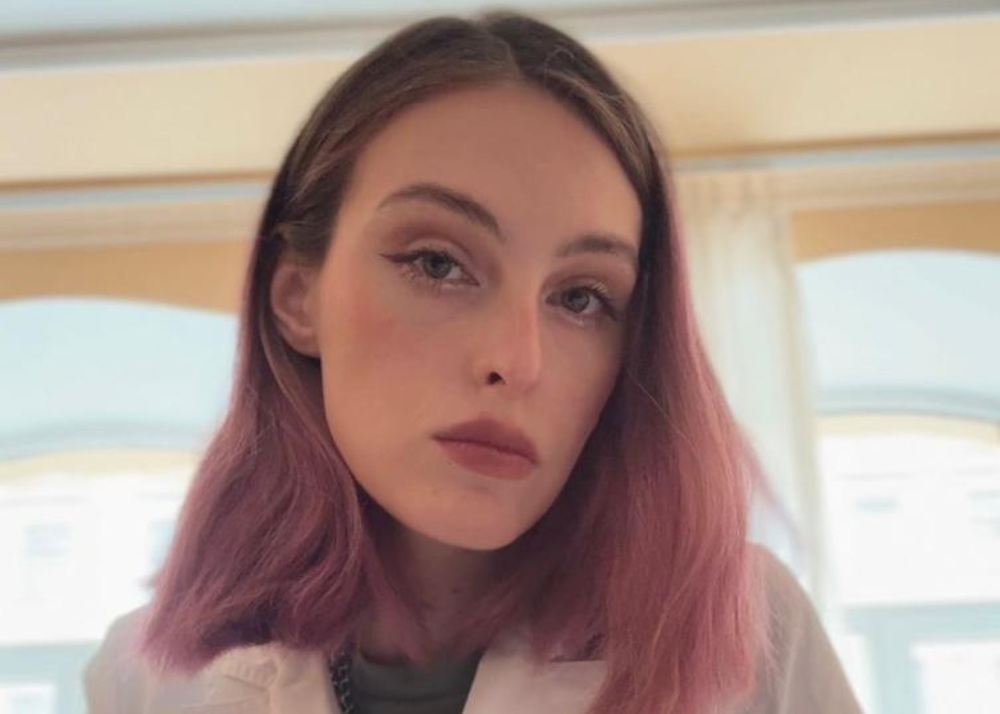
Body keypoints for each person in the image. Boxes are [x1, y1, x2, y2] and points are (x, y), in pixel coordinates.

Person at [84, 12, 862, 714]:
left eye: (582, 297)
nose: (517, 361)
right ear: (298, 297)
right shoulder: (144, 684)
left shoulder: (751, 638)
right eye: (437, 263)